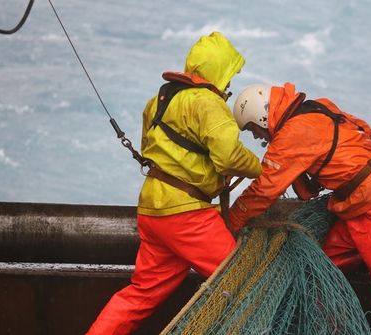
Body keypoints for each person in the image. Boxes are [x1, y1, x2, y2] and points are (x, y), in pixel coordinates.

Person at [229, 82, 371, 335]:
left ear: (261, 116)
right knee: (319, 275)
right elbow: (364, 129)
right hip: (356, 211)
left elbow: (263, 190)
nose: (257, 137)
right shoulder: (318, 107)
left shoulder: (293, 133)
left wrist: (232, 221)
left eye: (253, 130)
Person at [87, 32, 262, 335]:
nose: (230, 85)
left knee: (140, 293)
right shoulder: (208, 103)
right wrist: (260, 167)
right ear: (219, 73)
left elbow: (150, 148)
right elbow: (229, 157)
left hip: (153, 212)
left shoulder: (159, 100)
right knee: (243, 280)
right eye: (230, 76)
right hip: (188, 216)